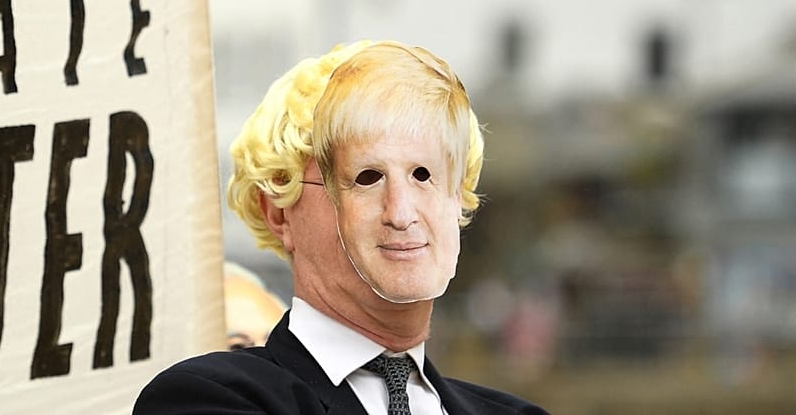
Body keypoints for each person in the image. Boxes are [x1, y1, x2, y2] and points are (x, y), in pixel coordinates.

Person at [135, 41, 549, 415]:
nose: (401, 213)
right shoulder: (204, 399)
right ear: (280, 212)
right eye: (366, 178)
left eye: (425, 175)